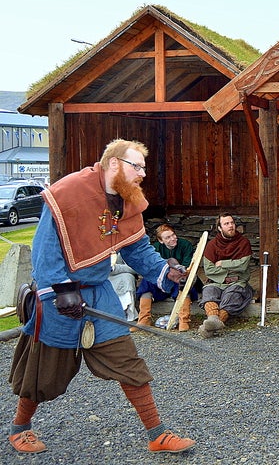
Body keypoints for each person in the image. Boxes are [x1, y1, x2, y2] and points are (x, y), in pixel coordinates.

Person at [6, 139, 195, 454]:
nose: (142, 174)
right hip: (58, 298)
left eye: (144, 168)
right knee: (44, 371)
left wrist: (165, 272)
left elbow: (136, 248)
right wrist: (61, 290)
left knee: (128, 362)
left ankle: (157, 434)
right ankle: (20, 428)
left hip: (99, 295)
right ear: (115, 164)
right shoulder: (69, 192)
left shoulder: (128, 199)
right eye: (138, 166)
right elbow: (44, 247)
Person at [134, 224, 200, 331]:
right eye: (167, 237)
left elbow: (188, 267)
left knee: (185, 284)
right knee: (146, 282)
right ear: (161, 240)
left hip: (180, 278)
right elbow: (153, 267)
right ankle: (144, 320)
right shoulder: (155, 248)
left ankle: (183, 320)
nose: (173, 238)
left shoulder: (185, 245)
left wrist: (177, 271)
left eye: (173, 235)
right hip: (162, 279)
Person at [198, 213, 253, 339]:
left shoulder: (243, 243)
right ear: (219, 228)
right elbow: (209, 269)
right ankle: (213, 320)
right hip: (216, 281)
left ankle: (209, 327)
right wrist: (232, 269)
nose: (230, 226)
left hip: (237, 282)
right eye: (226, 224)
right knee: (209, 293)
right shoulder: (212, 245)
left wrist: (223, 263)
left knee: (231, 296)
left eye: (232, 223)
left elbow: (243, 266)